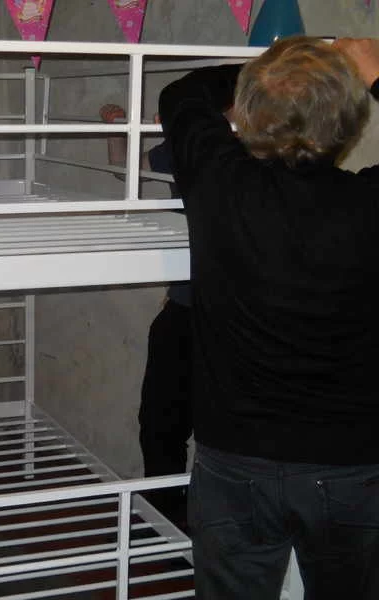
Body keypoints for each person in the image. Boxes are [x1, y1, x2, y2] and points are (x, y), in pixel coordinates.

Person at [158, 35, 379, 599]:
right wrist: (370, 71)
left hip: (233, 465)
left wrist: (268, 72)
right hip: (352, 468)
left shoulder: (218, 182)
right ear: (350, 122)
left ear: (251, 114)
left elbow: (182, 94)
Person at [99, 104, 192, 528]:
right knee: (158, 427)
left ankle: (199, 535)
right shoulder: (190, 144)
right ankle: (167, 528)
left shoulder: (263, 149)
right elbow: (127, 171)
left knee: (226, 442)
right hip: (184, 311)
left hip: (234, 320)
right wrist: (116, 128)